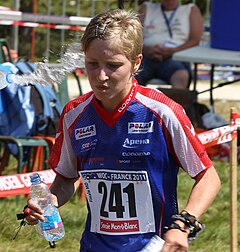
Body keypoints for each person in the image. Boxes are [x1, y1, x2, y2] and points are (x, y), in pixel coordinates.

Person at [24, 9, 221, 252]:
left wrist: (184, 224)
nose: (101, 76)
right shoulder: (74, 114)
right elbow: (66, 176)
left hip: (153, 246)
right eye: (92, 64)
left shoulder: (162, 112)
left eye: (113, 65)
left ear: (137, 62)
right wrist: (49, 203)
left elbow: (208, 176)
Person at [135, 0, 204, 89]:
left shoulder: (190, 9)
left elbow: (195, 40)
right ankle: (128, 101)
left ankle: (178, 102)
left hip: (176, 57)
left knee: (181, 76)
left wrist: (173, 51)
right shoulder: (147, 8)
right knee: (130, 74)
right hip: (146, 57)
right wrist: (146, 49)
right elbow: (133, 36)